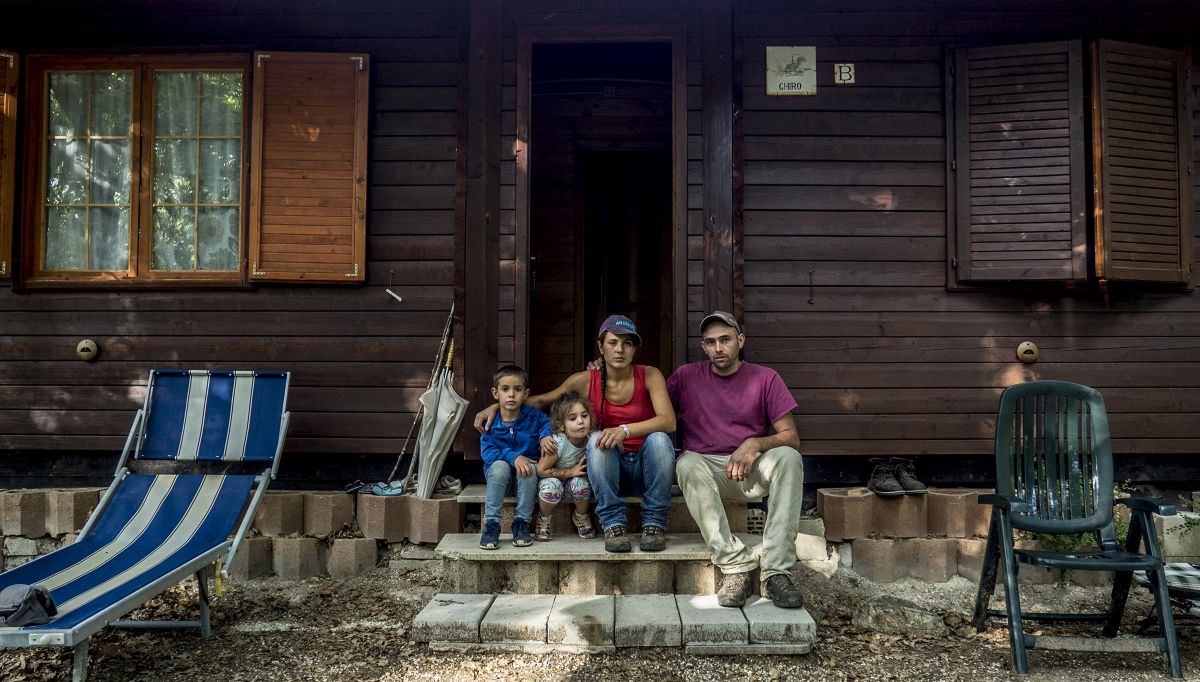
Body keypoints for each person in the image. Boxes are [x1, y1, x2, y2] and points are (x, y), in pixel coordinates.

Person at [473, 314, 676, 553]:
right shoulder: (586, 380)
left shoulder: (650, 374)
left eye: (627, 343)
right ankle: (614, 525)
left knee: (660, 439)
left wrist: (624, 430)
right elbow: (541, 400)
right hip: (607, 471)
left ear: (634, 349)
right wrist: (497, 406)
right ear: (601, 347)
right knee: (597, 440)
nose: (620, 349)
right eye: (612, 342)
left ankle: (654, 525)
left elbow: (668, 421)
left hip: (644, 468)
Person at [669, 311, 806, 609]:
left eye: (725, 339)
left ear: (740, 341)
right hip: (707, 473)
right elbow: (652, 409)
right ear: (703, 346)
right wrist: (602, 376)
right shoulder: (686, 377)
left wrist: (754, 443)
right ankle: (734, 565)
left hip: (751, 471)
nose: (718, 348)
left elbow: (791, 436)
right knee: (686, 463)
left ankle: (776, 571)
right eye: (711, 342)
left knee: (788, 457)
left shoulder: (765, 378)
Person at [478, 365, 551, 550]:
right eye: (505, 389)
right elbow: (488, 453)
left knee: (530, 468)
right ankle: (492, 524)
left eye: (517, 389)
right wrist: (514, 457)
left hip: (526, 481)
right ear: (495, 393)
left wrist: (544, 436)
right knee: (499, 466)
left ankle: (521, 523)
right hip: (500, 480)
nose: (511, 394)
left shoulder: (534, 417)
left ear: (525, 394)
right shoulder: (490, 423)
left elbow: (548, 423)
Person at [533, 392, 597, 541]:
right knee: (552, 487)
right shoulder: (558, 444)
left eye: (584, 416)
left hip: (573, 486)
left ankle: (581, 516)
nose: (580, 421)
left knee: (581, 484)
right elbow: (541, 470)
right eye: (573, 418)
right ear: (562, 425)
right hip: (552, 483)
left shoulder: (592, 439)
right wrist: (570, 472)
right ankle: (544, 518)